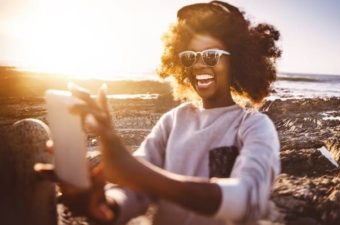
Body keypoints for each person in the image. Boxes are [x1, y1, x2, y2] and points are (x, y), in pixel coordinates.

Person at [36, 1, 282, 224]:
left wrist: (135, 170)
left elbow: (246, 198)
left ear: (236, 61)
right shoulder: (173, 121)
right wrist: (107, 206)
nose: (198, 63)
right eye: (189, 57)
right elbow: (136, 190)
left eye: (211, 55)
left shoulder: (254, 126)